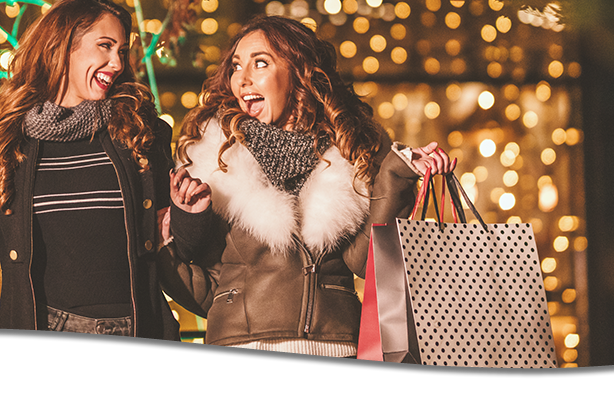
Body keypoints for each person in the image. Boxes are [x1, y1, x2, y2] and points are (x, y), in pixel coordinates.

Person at [0, 0, 189, 369]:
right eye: (105, 46)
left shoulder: (141, 135)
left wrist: (191, 213)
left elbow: (179, 238)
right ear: (63, 46)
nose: (118, 63)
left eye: (122, 51)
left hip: (140, 345)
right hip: (48, 350)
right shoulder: (2, 148)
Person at [161, 15, 454, 369]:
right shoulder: (214, 160)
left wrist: (397, 174)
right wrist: (185, 217)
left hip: (337, 351)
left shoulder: (351, 153)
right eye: (237, 66)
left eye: (260, 63)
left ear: (299, 73)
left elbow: (365, 263)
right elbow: (204, 271)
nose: (243, 77)